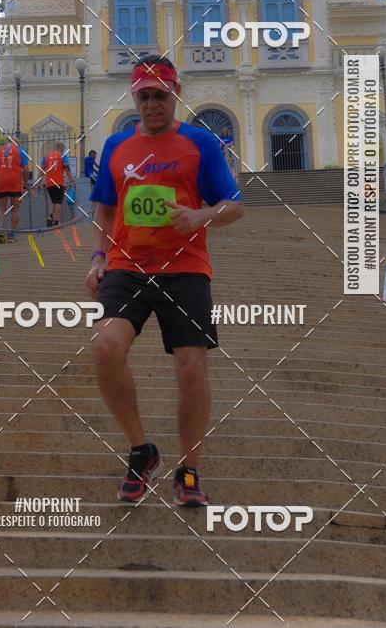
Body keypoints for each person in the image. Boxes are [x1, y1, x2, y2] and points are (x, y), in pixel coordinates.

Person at [86, 55, 243, 507]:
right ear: (134, 96)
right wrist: (97, 257)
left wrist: (200, 215)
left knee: (192, 365)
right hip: (126, 266)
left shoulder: (200, 144)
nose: (153, 104)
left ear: (177, 93)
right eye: (144, 96)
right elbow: (105, 209)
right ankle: (142, 451)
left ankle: (189, 469)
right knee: (105, 346)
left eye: (161, 95)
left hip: (184, 268)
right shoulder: (116, 146)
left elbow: (233, 205)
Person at [0, 132, 29, 243]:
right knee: (16, 209)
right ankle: (11, 236)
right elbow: (26, 170)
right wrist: (25, 184)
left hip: (1, 182)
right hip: (15, 183)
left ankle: (1, 232)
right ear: (16, 142)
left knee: (1, 209)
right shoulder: (21, 151)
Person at [42, 142, 75, 226]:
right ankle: (56, 221)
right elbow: (66, 168)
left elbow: (41, 170)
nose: (63, 150)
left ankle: (50, 217)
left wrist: (38, 182)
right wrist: (71, 180)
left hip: (49, 183)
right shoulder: (62, 155)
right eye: (63, 148)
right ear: (60, 147)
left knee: (53, 201)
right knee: (58, 202)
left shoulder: (47, 156)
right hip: (58, 183)